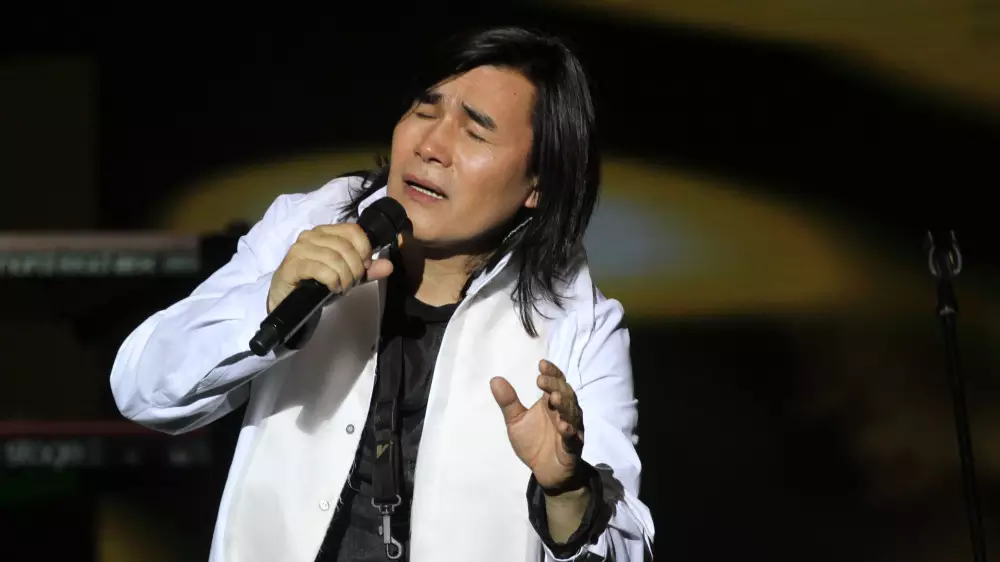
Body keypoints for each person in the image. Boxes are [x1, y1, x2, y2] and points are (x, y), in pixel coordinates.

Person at [110, 26, 654, 562]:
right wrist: (268, 305)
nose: (430, 146)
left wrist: (566, 490)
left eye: (475, 133)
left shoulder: (577, 319)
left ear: (539, 183)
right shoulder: (309, 225)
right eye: (424, 111)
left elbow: (629, 548)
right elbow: (141, 391)